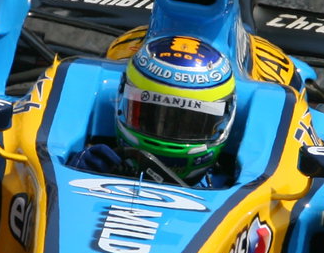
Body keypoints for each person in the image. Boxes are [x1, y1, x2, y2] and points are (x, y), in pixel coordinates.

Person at [70, 33, 237, 186]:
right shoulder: (95, 165)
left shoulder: (231, 189)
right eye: (149, 117)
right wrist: (74, 173)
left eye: (191, 123)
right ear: (121, 99)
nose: (168, 133)